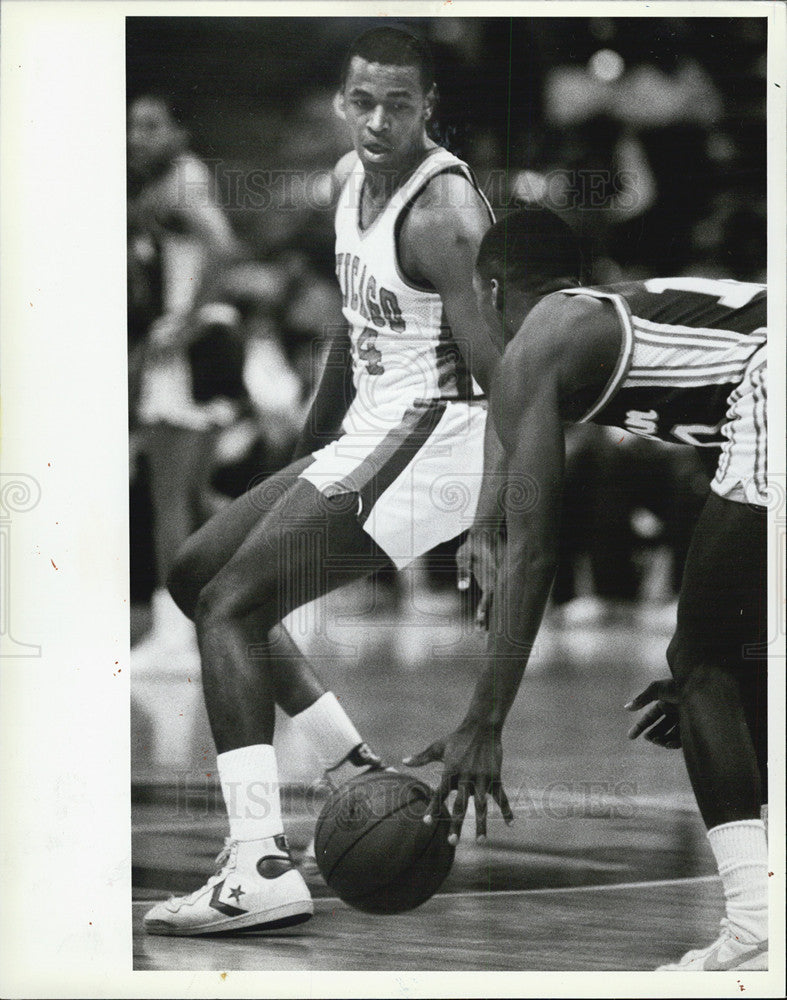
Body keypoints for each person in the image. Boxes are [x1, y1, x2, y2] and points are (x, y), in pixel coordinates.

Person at [144, 27, 498, 936]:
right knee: (195, 574)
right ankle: (350, 769)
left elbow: (508, 378)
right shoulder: (348, 181)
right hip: (372, 433)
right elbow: (349, 326)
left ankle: (256, 862)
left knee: (231, 607)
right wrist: (306, 449)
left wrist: (497, 514)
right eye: (362, 101)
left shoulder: (443, 213)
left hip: (440, 443)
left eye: (399, 104)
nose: (377, 121)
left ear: (429, 109)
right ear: (345, 101)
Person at [407, 206, 768, 972]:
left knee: (704, 666)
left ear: (491, 288)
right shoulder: (592, 319)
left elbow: (536, 553)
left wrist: (482, 723)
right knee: (731, 673)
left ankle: (755, 926)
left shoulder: (534, 343)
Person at [128, 94, 243, 664]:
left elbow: (222, 246)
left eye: (151, 125)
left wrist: (186, 324)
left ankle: (175, 636)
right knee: (194, 495)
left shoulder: (181, 179)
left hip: (189, 347)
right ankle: (276, 576)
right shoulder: (166, 184)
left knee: (167, 497)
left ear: (179, 128)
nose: (137, 136)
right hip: (200, 342)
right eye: (132, 126)